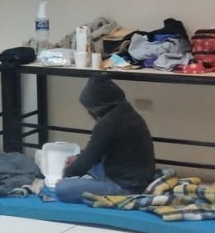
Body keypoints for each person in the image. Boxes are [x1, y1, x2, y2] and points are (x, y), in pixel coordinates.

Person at [54, 74, 156, 203]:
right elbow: (94, 153)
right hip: (138, 176)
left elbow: (87, 160)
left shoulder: (107, 123)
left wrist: (66, 174)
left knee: (62, 189)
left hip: (127, 186)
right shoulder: (125, 110)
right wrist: (78, 158)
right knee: (87, 165)